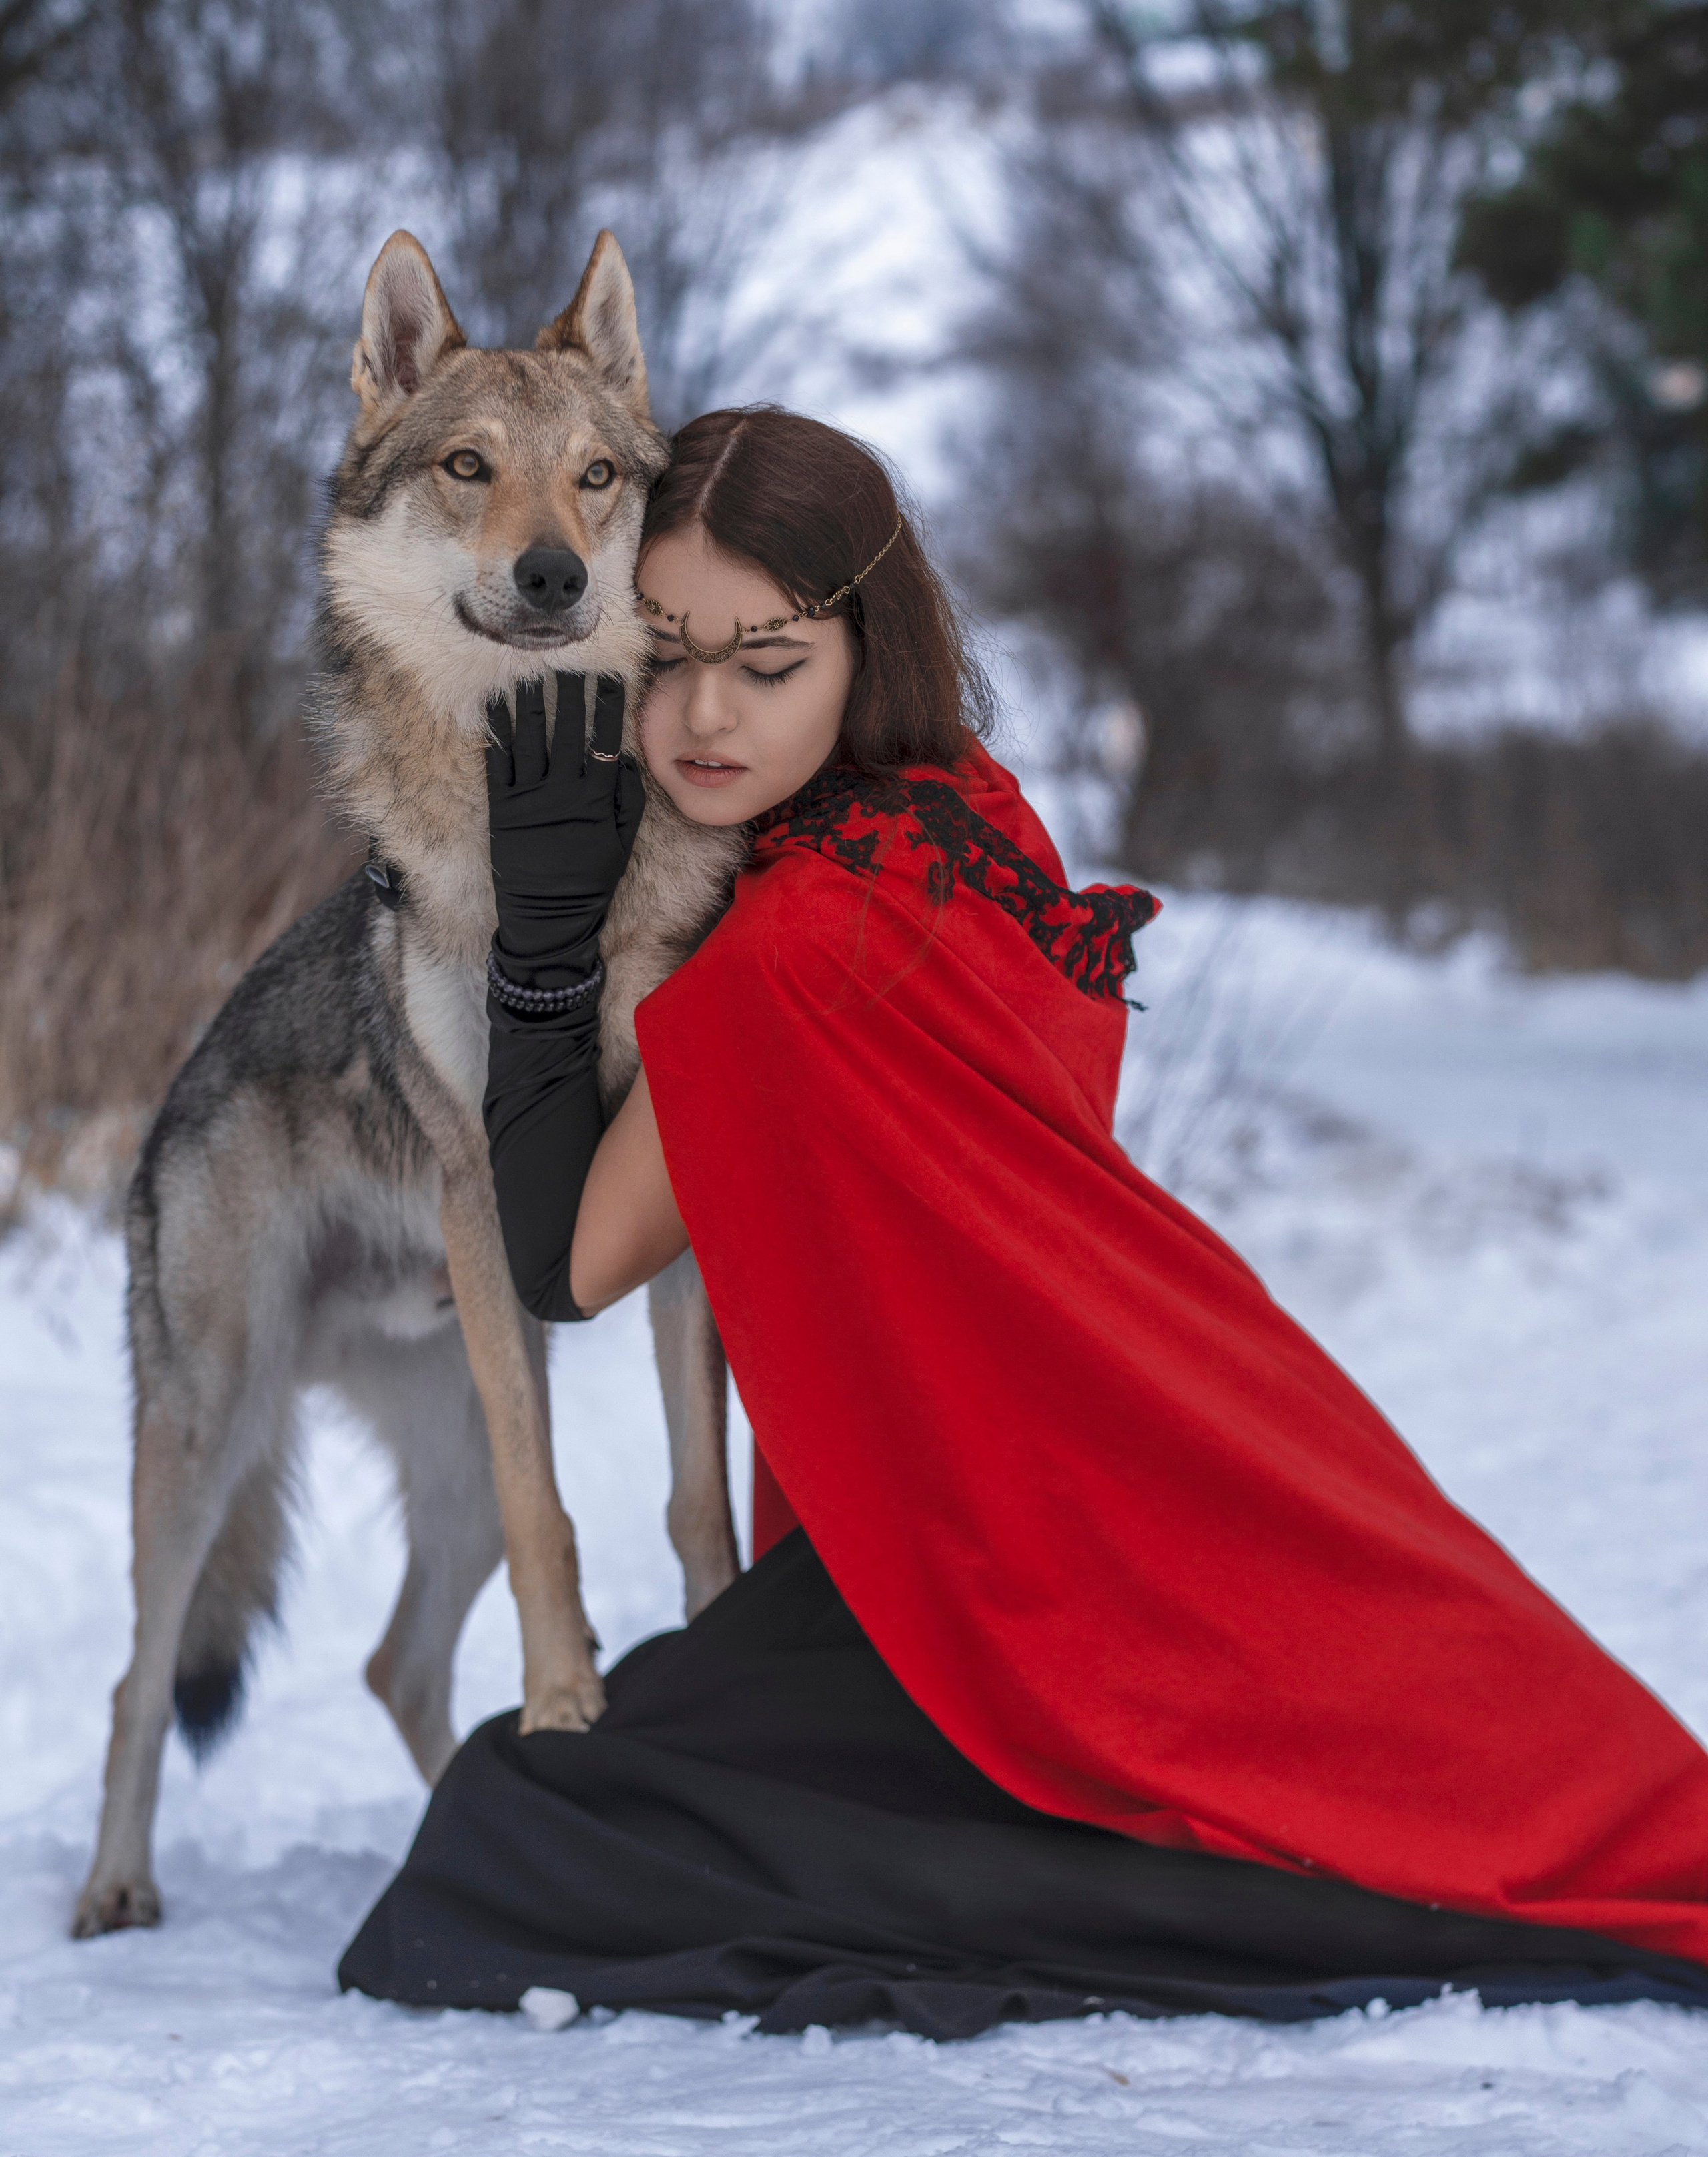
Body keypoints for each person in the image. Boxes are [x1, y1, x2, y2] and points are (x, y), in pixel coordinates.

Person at [340, 406, 1708, 2040]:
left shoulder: (786, 958)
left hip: (995, 1559)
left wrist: (548, 952)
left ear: (866, 643)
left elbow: (567, 1268)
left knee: (512, 1839)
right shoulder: (964, 817)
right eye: (663, 655)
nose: (701, 717)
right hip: (1141, 1440)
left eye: (765, 665)